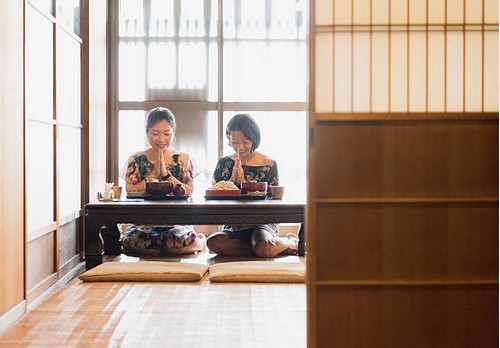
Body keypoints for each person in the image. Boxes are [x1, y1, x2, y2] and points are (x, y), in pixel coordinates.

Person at [206, 113, 298, 257]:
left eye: (246, 142)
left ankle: (290, 241)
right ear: (229, 139)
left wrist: (245, 183)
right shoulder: (223, 163)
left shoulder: (268, 164)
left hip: (263, 221)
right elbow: (214, 195)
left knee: (264, 246)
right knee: (212, 243)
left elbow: (273, 199)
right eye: (235, 142)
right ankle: (262, 248)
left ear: (254, 139)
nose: (240, 147)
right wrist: (231, 183)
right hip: (234, 223)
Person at [120, 107, 206, 255]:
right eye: (155, 133)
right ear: (147, 133)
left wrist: (166, 175)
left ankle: (200, 241)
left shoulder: (183, 159)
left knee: (174, 245)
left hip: (177, 220)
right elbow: (131, 190)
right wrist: (153, 173)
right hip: (144, 222)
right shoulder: (135, 159)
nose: (161, 139)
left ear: (173, 133)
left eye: (166, 134)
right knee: (136, 243)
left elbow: (189, 190)